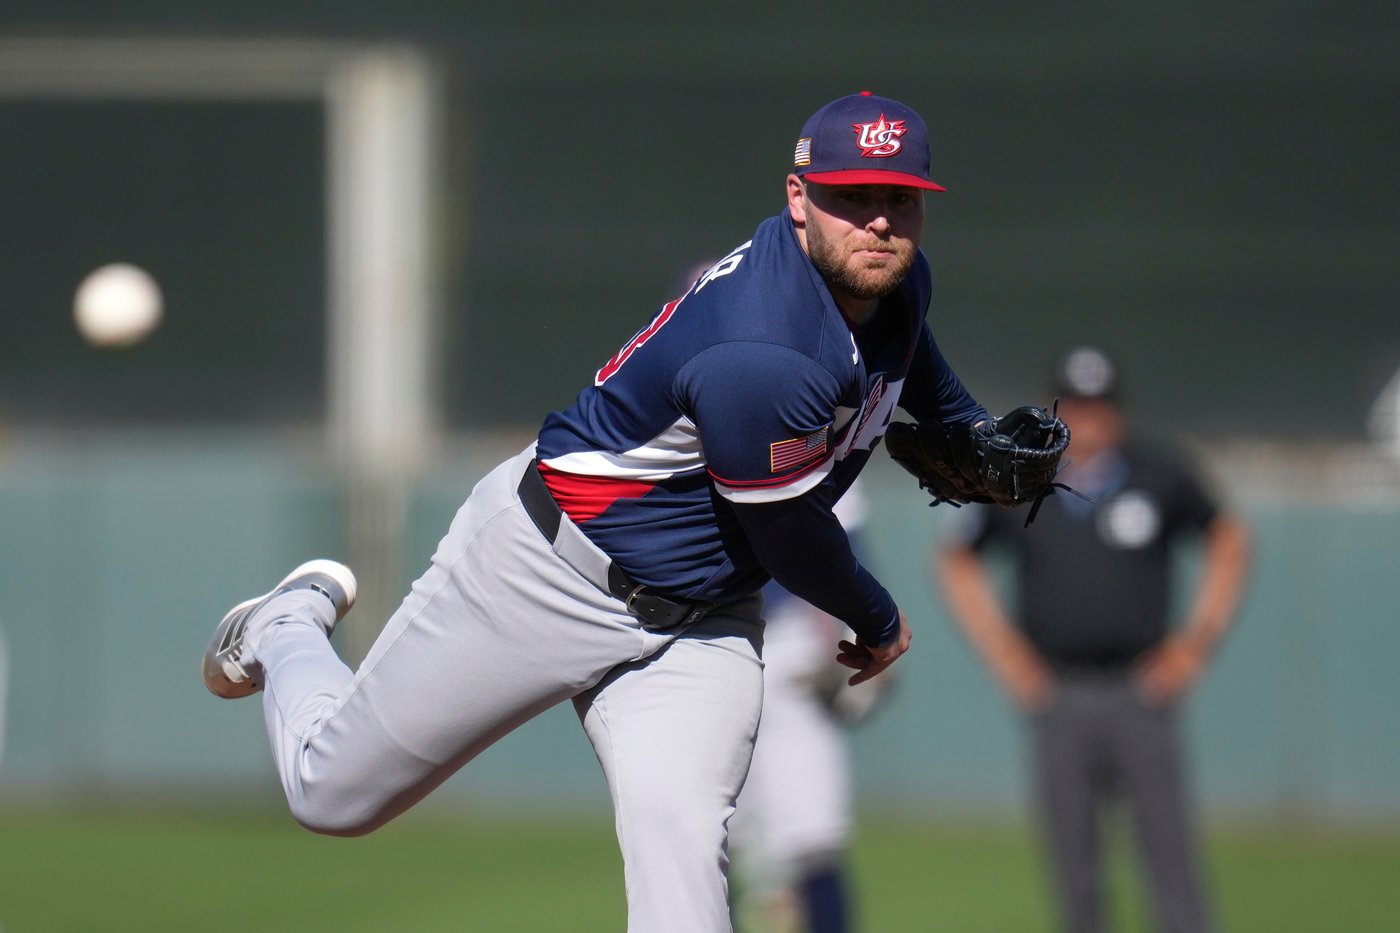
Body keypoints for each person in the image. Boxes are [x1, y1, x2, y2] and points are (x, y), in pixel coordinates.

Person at [202, 90, 999, 932]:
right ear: (799, 200)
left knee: (682, 867)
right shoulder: (759, 346)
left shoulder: (891, 283)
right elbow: (789, 531)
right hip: (547, 571)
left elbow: (915, 358)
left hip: (702, 623)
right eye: (852, 197)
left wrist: (974, 430)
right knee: (333, 793)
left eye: (898, 199)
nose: (878, 223)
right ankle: (286, 624)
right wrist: (875, 617)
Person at [934, 346, 1252, 933]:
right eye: (1076, 405)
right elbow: (957, 558)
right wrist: (1006, 656)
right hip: (1059, 694)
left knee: (1171, 867)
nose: (1090, 419)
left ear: (1119, 409)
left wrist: (1195, 643)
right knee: (1076, 874)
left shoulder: (1159, 472)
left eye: (1100, 404)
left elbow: (1229, 539)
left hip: (1142, 692)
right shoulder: (1020, 479)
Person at [730, 480, 890, 933]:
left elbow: (848, 549)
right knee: (709, 839)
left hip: (789, 643)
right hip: (703, 638)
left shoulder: (822, 432)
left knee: (812, 835)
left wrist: (863, 636)